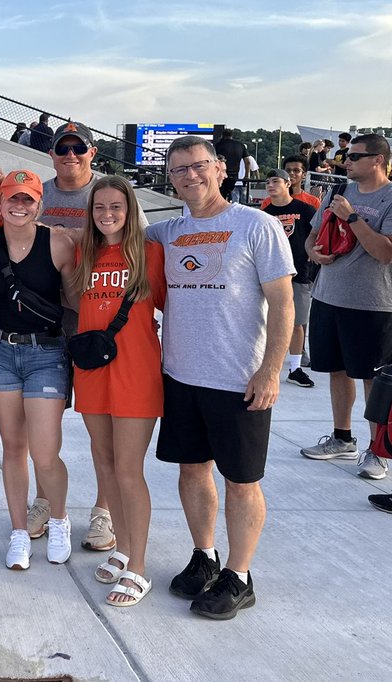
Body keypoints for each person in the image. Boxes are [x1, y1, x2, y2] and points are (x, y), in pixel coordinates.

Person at [149, 134, 294, 620]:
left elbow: (283, 303)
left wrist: (271, 368)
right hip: (181, 376)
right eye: (179, 170)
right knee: (192, 471)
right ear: (169, 179)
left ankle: (240, 574)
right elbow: (108, 225)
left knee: (241, 481)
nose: (190, 176)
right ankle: (204, 555)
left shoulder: (256, 224)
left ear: (221, 169)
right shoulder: (166, 232)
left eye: (199, 166)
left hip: (238, 379)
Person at [28, 121, 149, 552]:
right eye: (63, 148)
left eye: (79, 148)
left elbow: (138, 250)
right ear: (52, 153)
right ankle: (45, 499)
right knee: (43, 420)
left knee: (106, 431)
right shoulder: (38, 195)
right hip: (47, 322)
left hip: (98, 327)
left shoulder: (110, 196)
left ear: (92, 152)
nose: (71, 154)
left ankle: (104, 510)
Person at [70, 176, 165, 605]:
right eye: (99, 208)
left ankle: (140, 567)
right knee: (105, 466)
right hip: (92, 372)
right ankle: (123, 548)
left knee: (129, 470)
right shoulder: (84, 253)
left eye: (116, 207)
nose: (107, 215)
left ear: (130, 211)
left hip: (135, 372)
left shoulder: (150, 254)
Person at [0, 169, 76, 570]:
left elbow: (73, 305)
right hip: (2, 350)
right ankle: (19, 531)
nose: (19, 206)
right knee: (13, 449)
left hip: (46, 354)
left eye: (28, 199)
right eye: (12, 198)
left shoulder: (57, 242)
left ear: (39, 205)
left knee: (44, 451)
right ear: (0, 204)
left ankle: (58, 520)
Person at [300, 134, 392, 478]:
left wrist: (353, 218)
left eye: (355, 156)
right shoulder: (338, 192)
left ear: (378, 160)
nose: (346, 160)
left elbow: (384, 252)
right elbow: (312, 235)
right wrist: (312, 252)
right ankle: (342, 438)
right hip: (328, 297)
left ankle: (378, 450)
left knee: (373, 378)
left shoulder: (389, 198)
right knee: (336, 371)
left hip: (373, 304)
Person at [259, 169, 319, 389]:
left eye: (275, 181)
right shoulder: (264, 213)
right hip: (269, 275)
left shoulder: (305, 209)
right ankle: (263, 363)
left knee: (296, 322)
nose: (270, 185)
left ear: (288, 183)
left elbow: (318, 236)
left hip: (298, 272)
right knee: (264, 321)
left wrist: (314, 258)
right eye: (267, 182)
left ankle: (295, 368)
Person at [215, 129, 247, 200]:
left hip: (221, 174)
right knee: (232, 195)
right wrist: (246, 176)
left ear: (222, 135)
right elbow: (247, 161)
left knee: (221, 195)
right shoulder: (240, 145)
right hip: (235, 175)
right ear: (232, 135)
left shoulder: (219, 145)